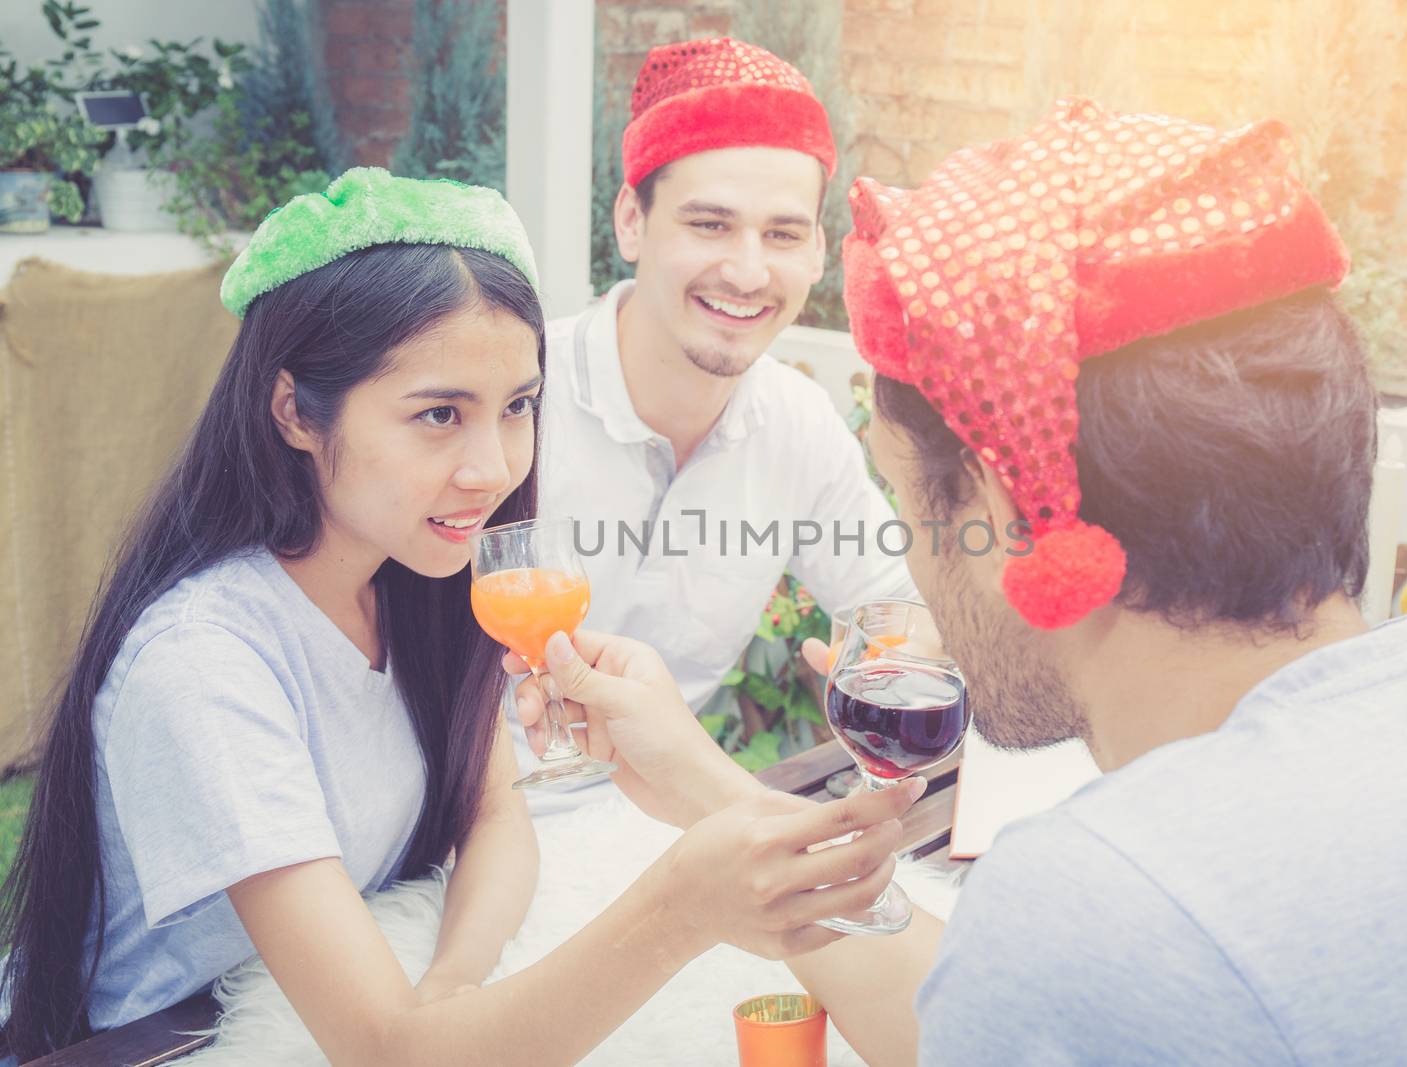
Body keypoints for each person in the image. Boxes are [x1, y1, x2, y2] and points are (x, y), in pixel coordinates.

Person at [530, 99, 1407, 1064]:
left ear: (1002, 507)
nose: (907, 564)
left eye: (909, 511)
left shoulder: (1093, 909)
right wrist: (719, 796)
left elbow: (1068, 967)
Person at [0, 168, 920, 1063]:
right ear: (292, 409)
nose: (495, 467)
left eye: (518, 407)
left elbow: (493, 818)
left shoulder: (418, 580)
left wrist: (452, 981)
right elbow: (387, 1053)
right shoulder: (204, 663)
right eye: (440, 414)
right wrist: (676, 908)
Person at [537, 37, 915, 715]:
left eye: (782, 234)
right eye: (710, 225)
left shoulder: (798, 424)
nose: (747, 273)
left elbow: (899, 606)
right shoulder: (518, 398)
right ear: (632, 221)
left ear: (820, 251)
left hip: (668, 805)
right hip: (465, 803)